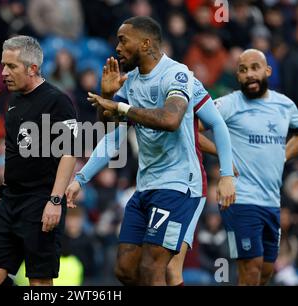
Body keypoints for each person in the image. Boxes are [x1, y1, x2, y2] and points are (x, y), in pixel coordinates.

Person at [83, 16, 236, 285]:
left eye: (122, 40)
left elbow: (173, 120)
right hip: (145, 186)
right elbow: (111, 134)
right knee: (125, 270)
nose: (117, 48)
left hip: (180, 184)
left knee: (156, 268)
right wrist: (105, 101)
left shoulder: (177, 75)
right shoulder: (129, 82)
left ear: (145, 43)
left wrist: (226, 175)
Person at [0, 35, 77, 286]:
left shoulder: (58, 101)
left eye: (11, 66)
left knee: (39, 281)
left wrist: (55, 200)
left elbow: (68, 153)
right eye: (3, 65)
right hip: (11, 199)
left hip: (42, 198)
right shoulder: (14, 100)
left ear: (32, 68)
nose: (3, 72)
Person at [201, 49, 298, 285]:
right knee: (250, 267)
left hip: (271, 202)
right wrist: (224, 157)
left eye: (255, 68)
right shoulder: (229, 103)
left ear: (267, 71)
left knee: (265, 270)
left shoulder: (285, 105)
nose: (249, 74)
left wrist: (282, 156)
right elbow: (192, 130)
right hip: (239, 200)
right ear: (237, 76)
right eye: (243, 70)